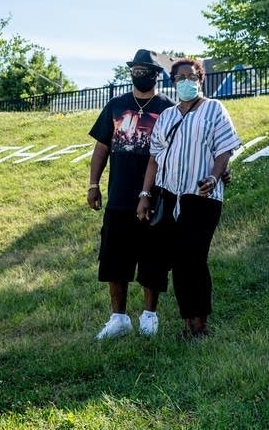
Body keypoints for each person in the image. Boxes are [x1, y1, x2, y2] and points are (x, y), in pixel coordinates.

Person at [137, 58, 241, 338]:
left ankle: (200, 325)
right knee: (174, 260)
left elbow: (224, 150)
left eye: (191, 76)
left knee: (193, 259)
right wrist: (145, 195)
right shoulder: (167, 117)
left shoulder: (214, 109)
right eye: (180, 78)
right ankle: (186, 324)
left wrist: (215, 177)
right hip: (168, 195)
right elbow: (154, 159)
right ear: (173, 82)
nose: (186, 81)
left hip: (201, 197)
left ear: (200, 79)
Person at [88, 49, 175, 340]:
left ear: (155, 74)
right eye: (136, 68)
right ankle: (119, 318)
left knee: (153, 257)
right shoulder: (116, 105)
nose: (140, 73)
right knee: (114, 258)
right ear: (131, 72)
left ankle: (150, 315)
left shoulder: (168, 108)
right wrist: (93, 184)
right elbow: (101, 147)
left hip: (157, 196)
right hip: (119, 196)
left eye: (146, 69)